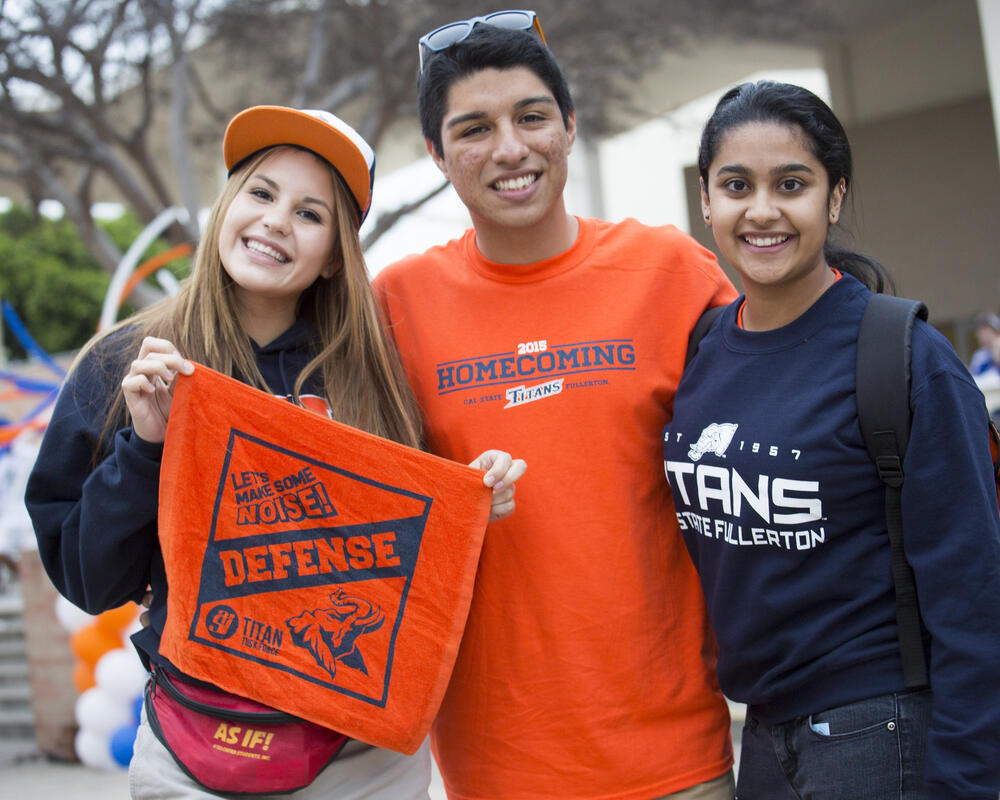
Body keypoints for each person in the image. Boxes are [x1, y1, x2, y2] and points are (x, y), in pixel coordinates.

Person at [25, 105, 525, 800]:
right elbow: (89, 580)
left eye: (310, 213)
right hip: (195, 744)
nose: (275, 221)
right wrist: (144, 447)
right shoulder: (127, 365)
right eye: (260, 193)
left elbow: (414, 553)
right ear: (227, 205)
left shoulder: (376, 372)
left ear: (333, 257)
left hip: (364, 762)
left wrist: (477, 497)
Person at [373, 12, 738, 800]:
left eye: (532, 117)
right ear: (437, 156)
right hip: (496, 767)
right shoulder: (396, 303)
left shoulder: (670, 272)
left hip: (676, 758)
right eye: (474, 128)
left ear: (569, 128)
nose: (510, 148)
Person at [662, 80, 1000, 799]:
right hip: (762, 736)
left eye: (792, 184)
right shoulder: (702, 351)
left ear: (834, 198)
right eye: (736, 185)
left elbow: (974, 591)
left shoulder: (904, 356)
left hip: (880, 732)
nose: (762, 210)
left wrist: (969, 779)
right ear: (706, 200)